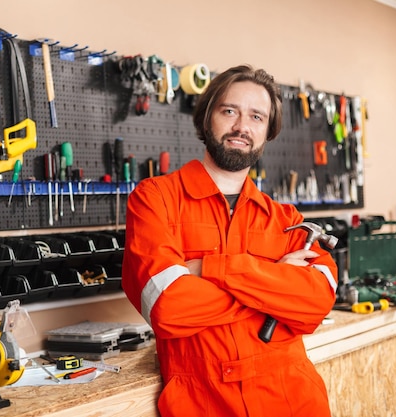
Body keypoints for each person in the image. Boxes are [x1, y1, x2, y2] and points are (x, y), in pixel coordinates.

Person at [121, 64, 337, 416]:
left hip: (294, 402)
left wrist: (211, 268)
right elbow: (168, 307)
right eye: (229, 111)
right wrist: (273, 281)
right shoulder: (154, 199)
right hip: (204, 404)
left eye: (257, 117)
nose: (242, 127)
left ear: (268, 131)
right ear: (207, 117)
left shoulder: (286, 220)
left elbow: (316, 303)